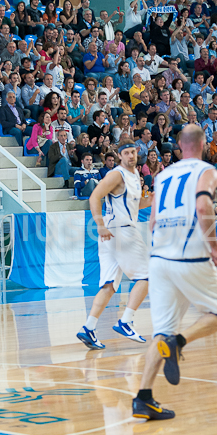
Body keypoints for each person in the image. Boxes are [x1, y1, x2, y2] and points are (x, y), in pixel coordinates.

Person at [132, 124, 217, 421]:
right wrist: (214, 248)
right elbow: (203, 204)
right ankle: (179, 342)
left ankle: (143, 397)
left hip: (160, 258)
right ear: (203, 144)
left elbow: (152, 220)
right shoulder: (206, 170)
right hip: (188, 254)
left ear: (179, 145)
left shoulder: (163, 175)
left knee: (160, 331)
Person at [77, 141, 153, 350]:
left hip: (113, 235)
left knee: (109, 285)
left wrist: (154, 198)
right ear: (120, 156)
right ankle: (126, 320)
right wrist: (99, 224)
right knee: (146, 275)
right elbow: (94, 196)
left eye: (133, 152)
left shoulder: (135, 175)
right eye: (126, 153)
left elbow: (138, 204)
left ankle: (88, 328)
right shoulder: (117, 174)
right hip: (120, 229)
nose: (131, 155)